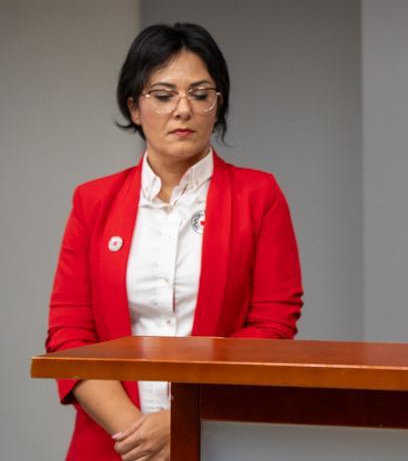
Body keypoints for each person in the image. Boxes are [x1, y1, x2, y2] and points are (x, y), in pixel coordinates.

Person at [46, 23, 303, 461]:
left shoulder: (259, 196)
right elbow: (69, 335)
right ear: (134, 107)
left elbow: (272, 327)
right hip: (113, 443)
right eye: (163, 95)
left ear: (217, 106)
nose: (183, 110)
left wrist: (183, 421)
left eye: (200, 94)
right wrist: (138, 435)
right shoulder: (93, 202)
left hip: (219, 435)